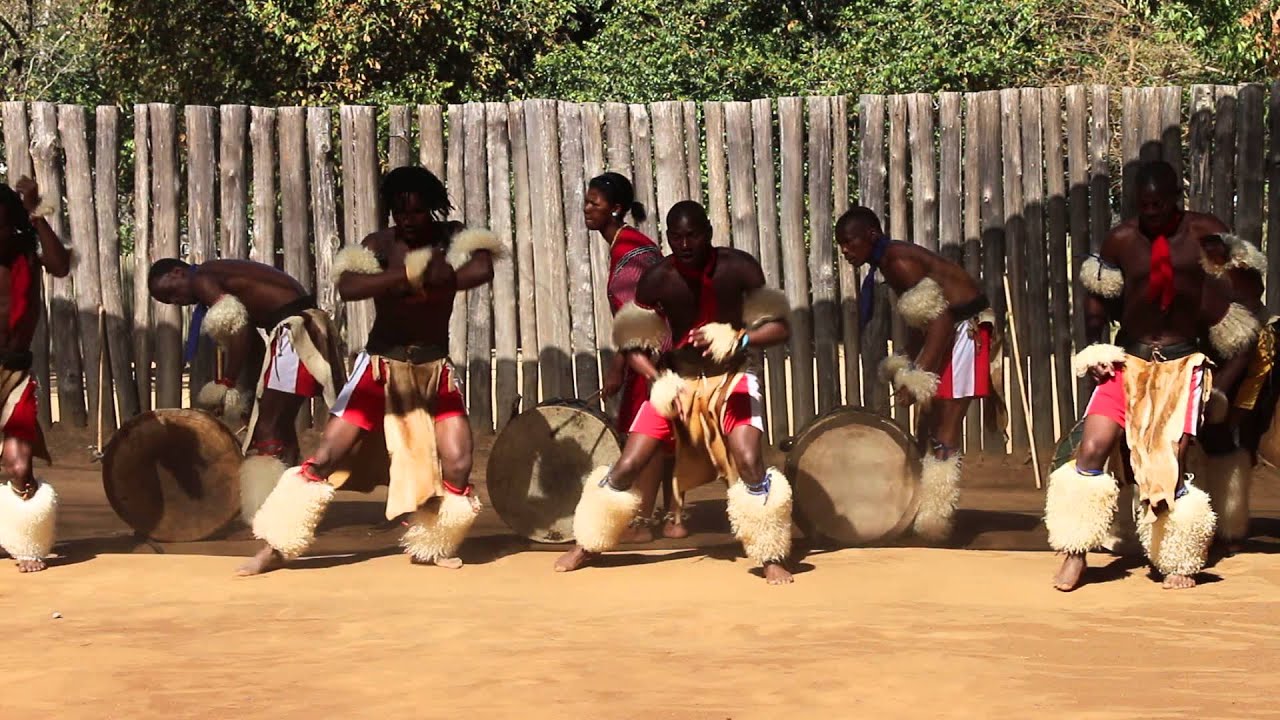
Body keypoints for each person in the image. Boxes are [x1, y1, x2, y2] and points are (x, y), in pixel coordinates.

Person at [237, 166, 503, 576]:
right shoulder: (379, 245)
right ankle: (277, 545)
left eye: (415, 211)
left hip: (433, 370)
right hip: (379, 370)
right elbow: (348, 287)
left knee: (458, 460)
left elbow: (482, 269)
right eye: (399, 211)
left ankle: (431, 544)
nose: (407, 219)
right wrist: (407, 275)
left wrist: (442, 276)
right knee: (327, 455)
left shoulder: (452, 237)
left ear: (430, 208)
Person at [554, 201, 796, 584]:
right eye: (676, 236)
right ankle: (587, 543)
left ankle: (770, 554)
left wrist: (739, 337)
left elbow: (780, 328)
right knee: (629, 464)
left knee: (750, 460)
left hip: (731, 377)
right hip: (677, 383)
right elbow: (631, 343)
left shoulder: (739, 267)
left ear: (708, 233)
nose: (684, 244)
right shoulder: (657, 278)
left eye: (693, 235)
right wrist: (655, 379)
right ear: (667, 237)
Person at [1048, 160, 1257, 591]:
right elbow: (1096, 305)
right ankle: (1074, 550)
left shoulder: (1205, 234)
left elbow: (1245, 291)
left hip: (1183, 364)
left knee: (1170, 459)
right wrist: (1095, 352)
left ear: (1176, 198)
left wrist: (1228, 367)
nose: (1153, 212)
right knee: (1092, 446)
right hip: (1128, 361)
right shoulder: (1121, 240)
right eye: (1144, 206)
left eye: (1160, 204)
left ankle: (1176, 555)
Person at [834, 206, 998, 542]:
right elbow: (924, 320)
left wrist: (916, 377)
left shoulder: (898, 262)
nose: (845, 251)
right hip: (951, 330)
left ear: (872, 235)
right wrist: (909, 363)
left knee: (945, 426)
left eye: (849, 242)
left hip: (967, 332)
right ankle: (922, 509)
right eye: (841, 245)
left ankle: (935, 522)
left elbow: (941, 322)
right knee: (929, 425)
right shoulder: (889, 263)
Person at [148, 257, 347, 524]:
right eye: (169, 302)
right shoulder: (218, 277)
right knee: (280, 425)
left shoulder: (203, 278)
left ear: (177, 271)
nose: (177, 301)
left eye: (172, 292)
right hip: (298, 330)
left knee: (268, 428)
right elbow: (251, 340)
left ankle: (269, 511)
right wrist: (248, 394)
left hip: (295, 334)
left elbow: (239, 333)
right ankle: (287, 502)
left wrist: (226, 383)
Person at [585, 171, 682, 542]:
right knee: (669, 435)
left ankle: (641, 521)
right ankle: (674, 517)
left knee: (651, 435)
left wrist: (620, 367)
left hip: (652, 356)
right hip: (656, 352)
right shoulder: (628, 246)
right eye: (588, 201)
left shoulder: (631, 252)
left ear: (617, 209)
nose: (587, 208)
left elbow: (638, 321)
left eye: (596, 203)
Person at [0, 177, 70, 573]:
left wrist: (36, 214)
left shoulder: (27, 253)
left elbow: (60, 265)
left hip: (14, 369)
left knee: (19, 465)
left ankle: (26, 540)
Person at [1193, 231, 1274, 553]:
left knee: (1225, 434)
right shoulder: (1199, 272)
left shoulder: (1241, 265)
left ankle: (1229, 524)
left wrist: (1221, 396)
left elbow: (1249, 326)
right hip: (1213, 349)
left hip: (1247, 347)